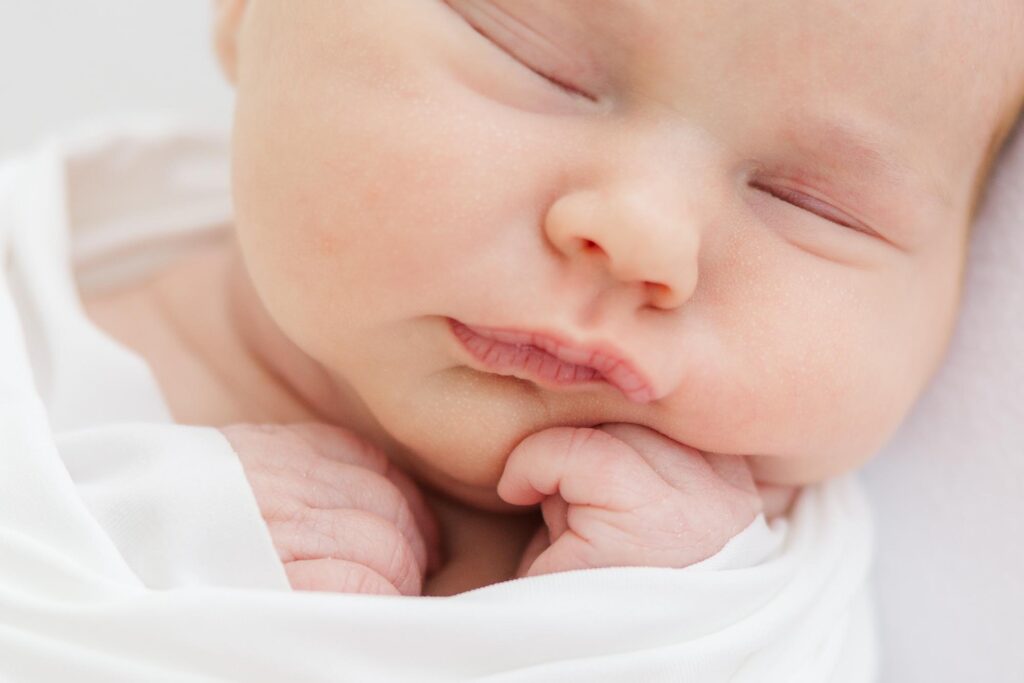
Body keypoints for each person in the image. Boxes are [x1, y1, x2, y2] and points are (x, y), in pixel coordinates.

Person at [0, 1, 1021, 679]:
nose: (641, 233)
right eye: (540, 64)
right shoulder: (41, 286)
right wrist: (159, 526)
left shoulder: (761, 588)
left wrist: (659, 631)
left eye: (815, 203)